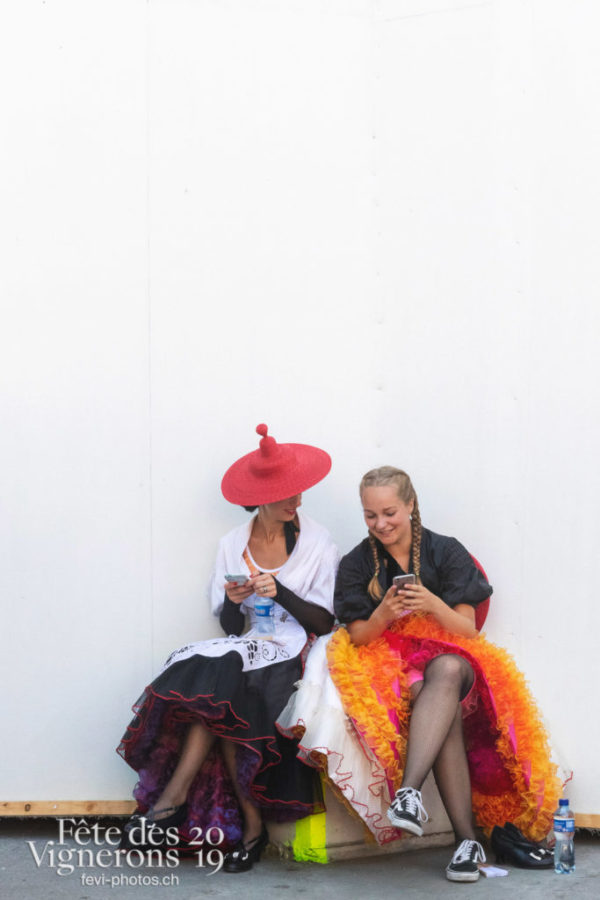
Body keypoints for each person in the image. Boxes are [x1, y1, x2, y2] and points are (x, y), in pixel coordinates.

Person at [277, 466, 560, 883]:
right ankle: (467, 843)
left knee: (445, 670)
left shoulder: (445, 551)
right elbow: (357, 636)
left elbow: (468, 629)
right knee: (437, 701)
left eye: (389, 512)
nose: (381, 524)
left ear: (410, 505)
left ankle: (409, 792)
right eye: (370, 516)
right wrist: (383, 614)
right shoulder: (358, 562)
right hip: (391, 664)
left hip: (454, 655)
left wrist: (432, 603)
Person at [118, 424, 339, 872]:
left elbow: (324, 621)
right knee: (208, 681)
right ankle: (245, 826)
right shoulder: (232, 544)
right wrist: (234, 603)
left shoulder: (318, 543)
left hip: (294, 650)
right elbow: (231, 627)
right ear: (259, 499)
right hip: (251, 648)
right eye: (286, 498)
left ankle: (175, 802)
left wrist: (281, 592)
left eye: (299, 495)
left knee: (219, 690)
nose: (296, 503)